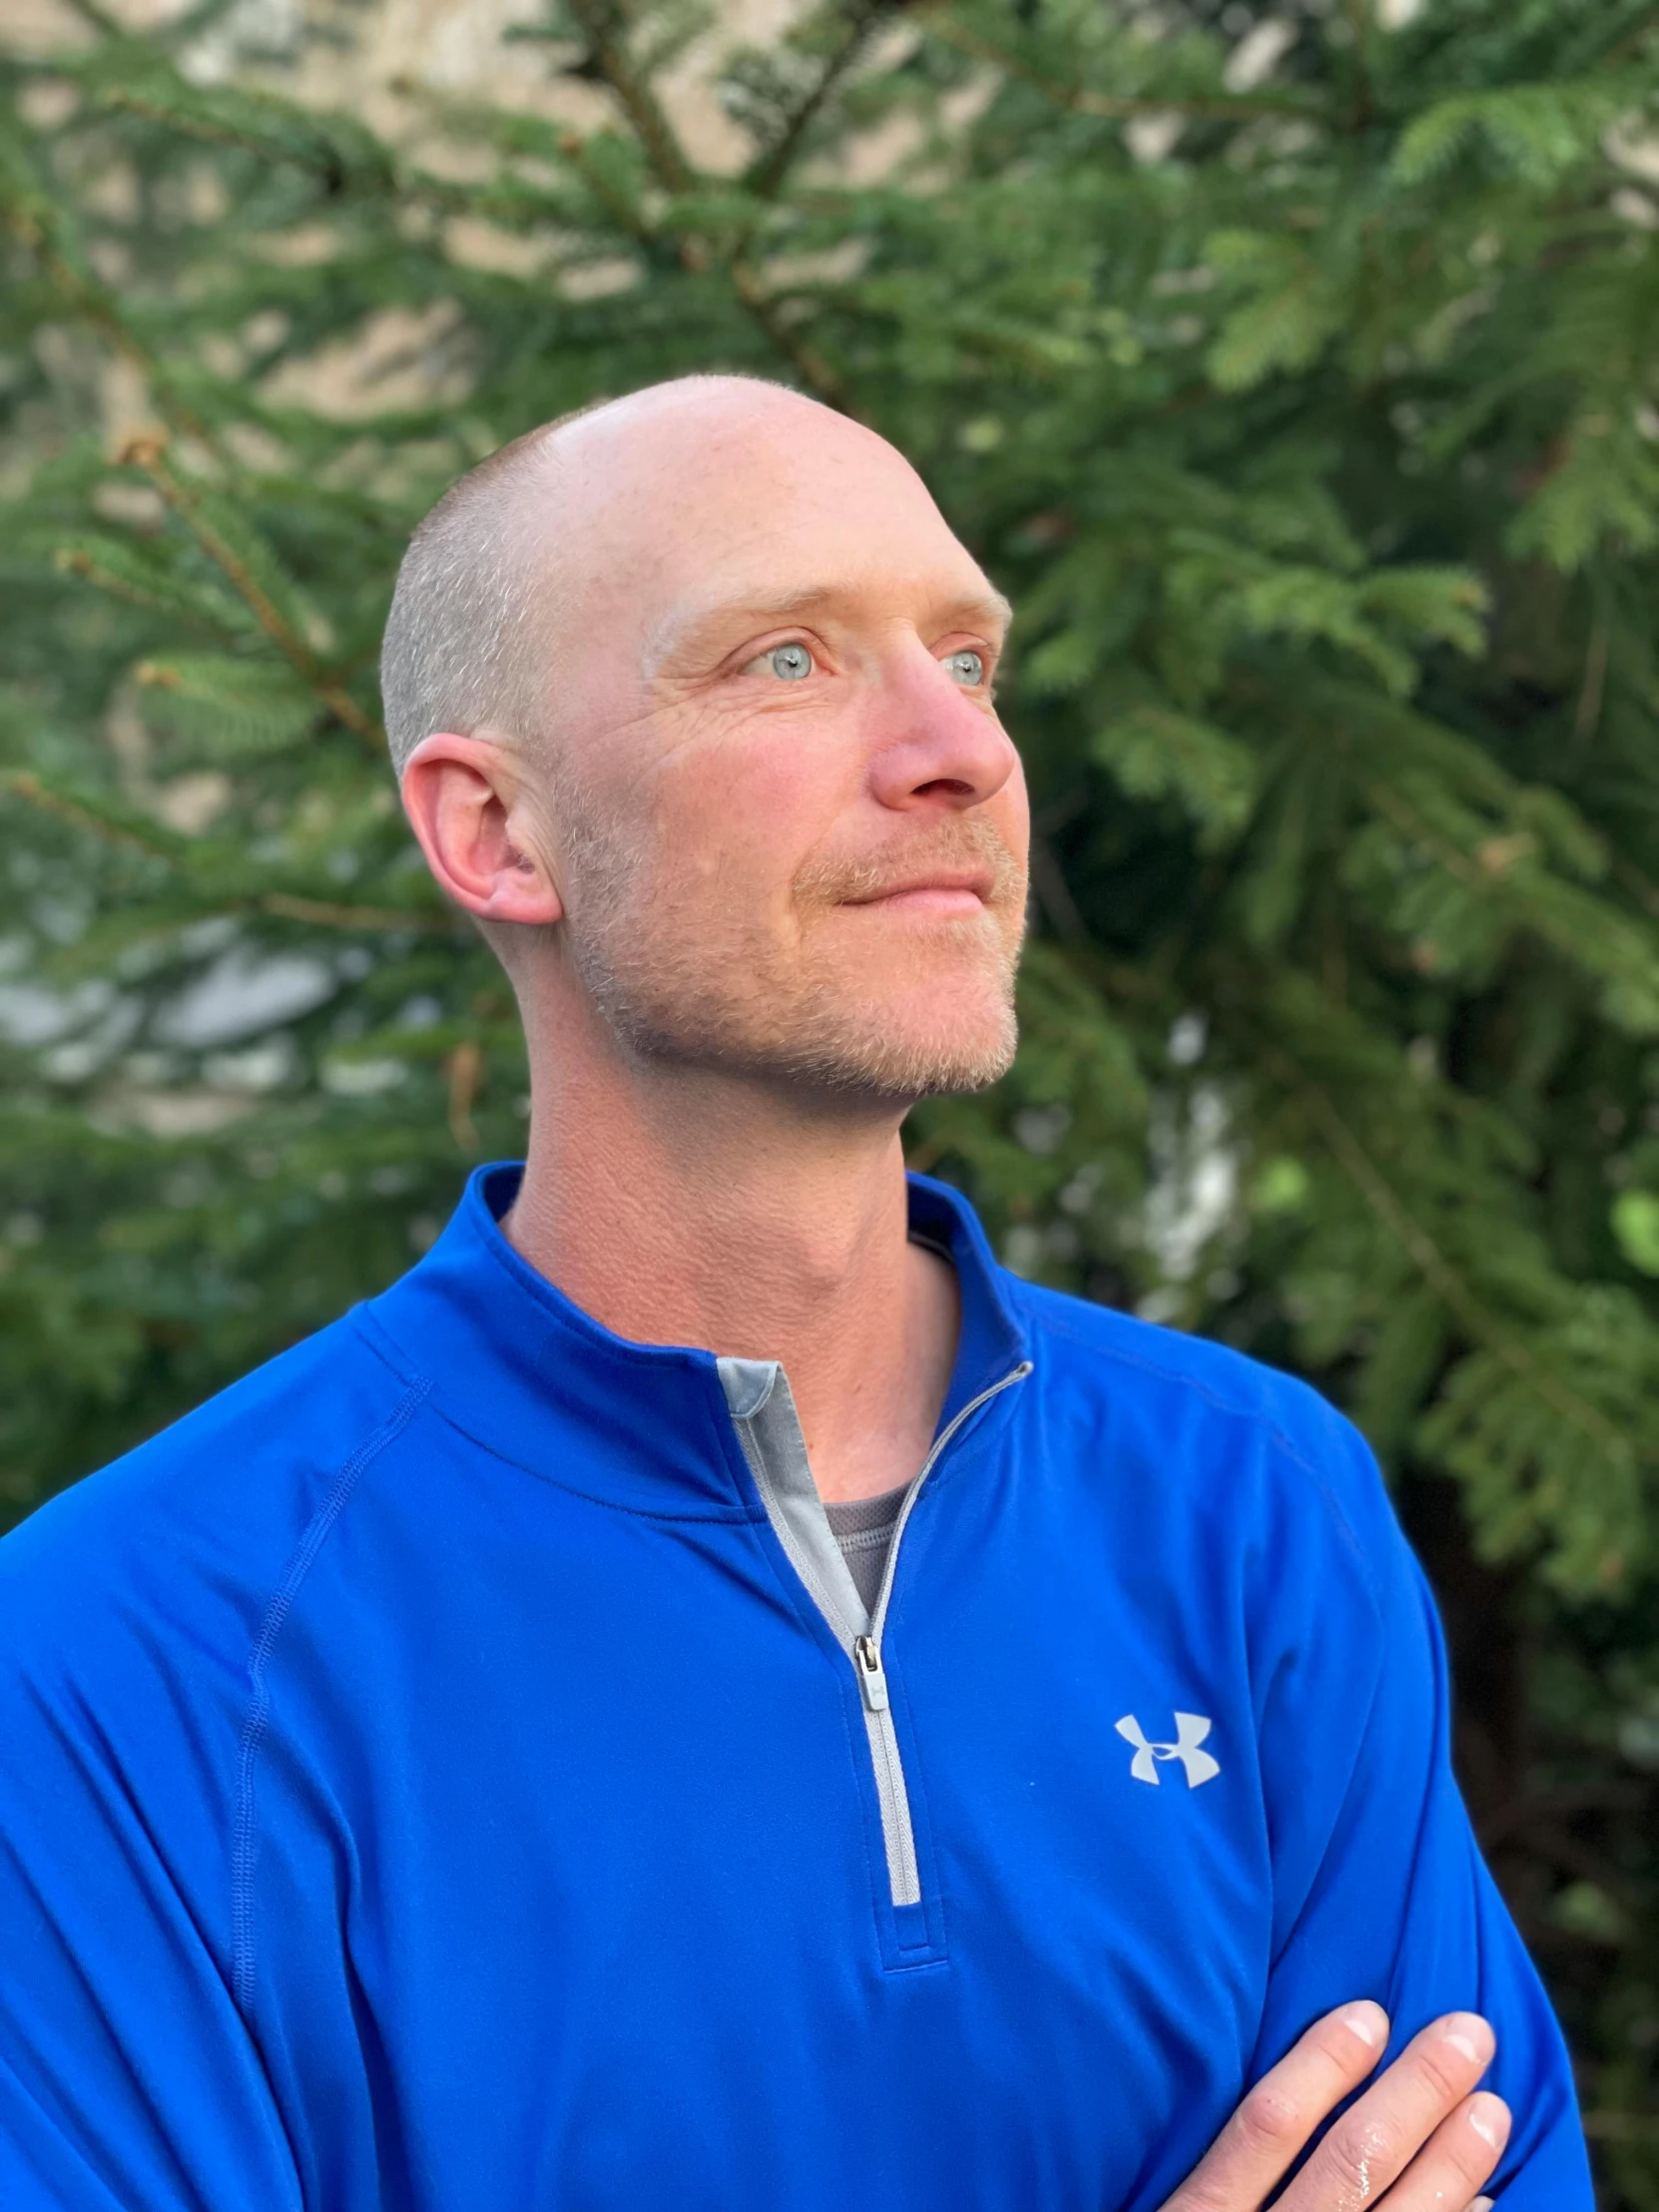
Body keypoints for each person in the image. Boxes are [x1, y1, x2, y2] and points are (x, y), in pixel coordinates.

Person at [0, 375, 1590, 2212]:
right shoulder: (133, 1659)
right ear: (496, 832)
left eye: (972, 662)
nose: (956, 752)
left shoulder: (1249, 1507)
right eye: (783, 661)